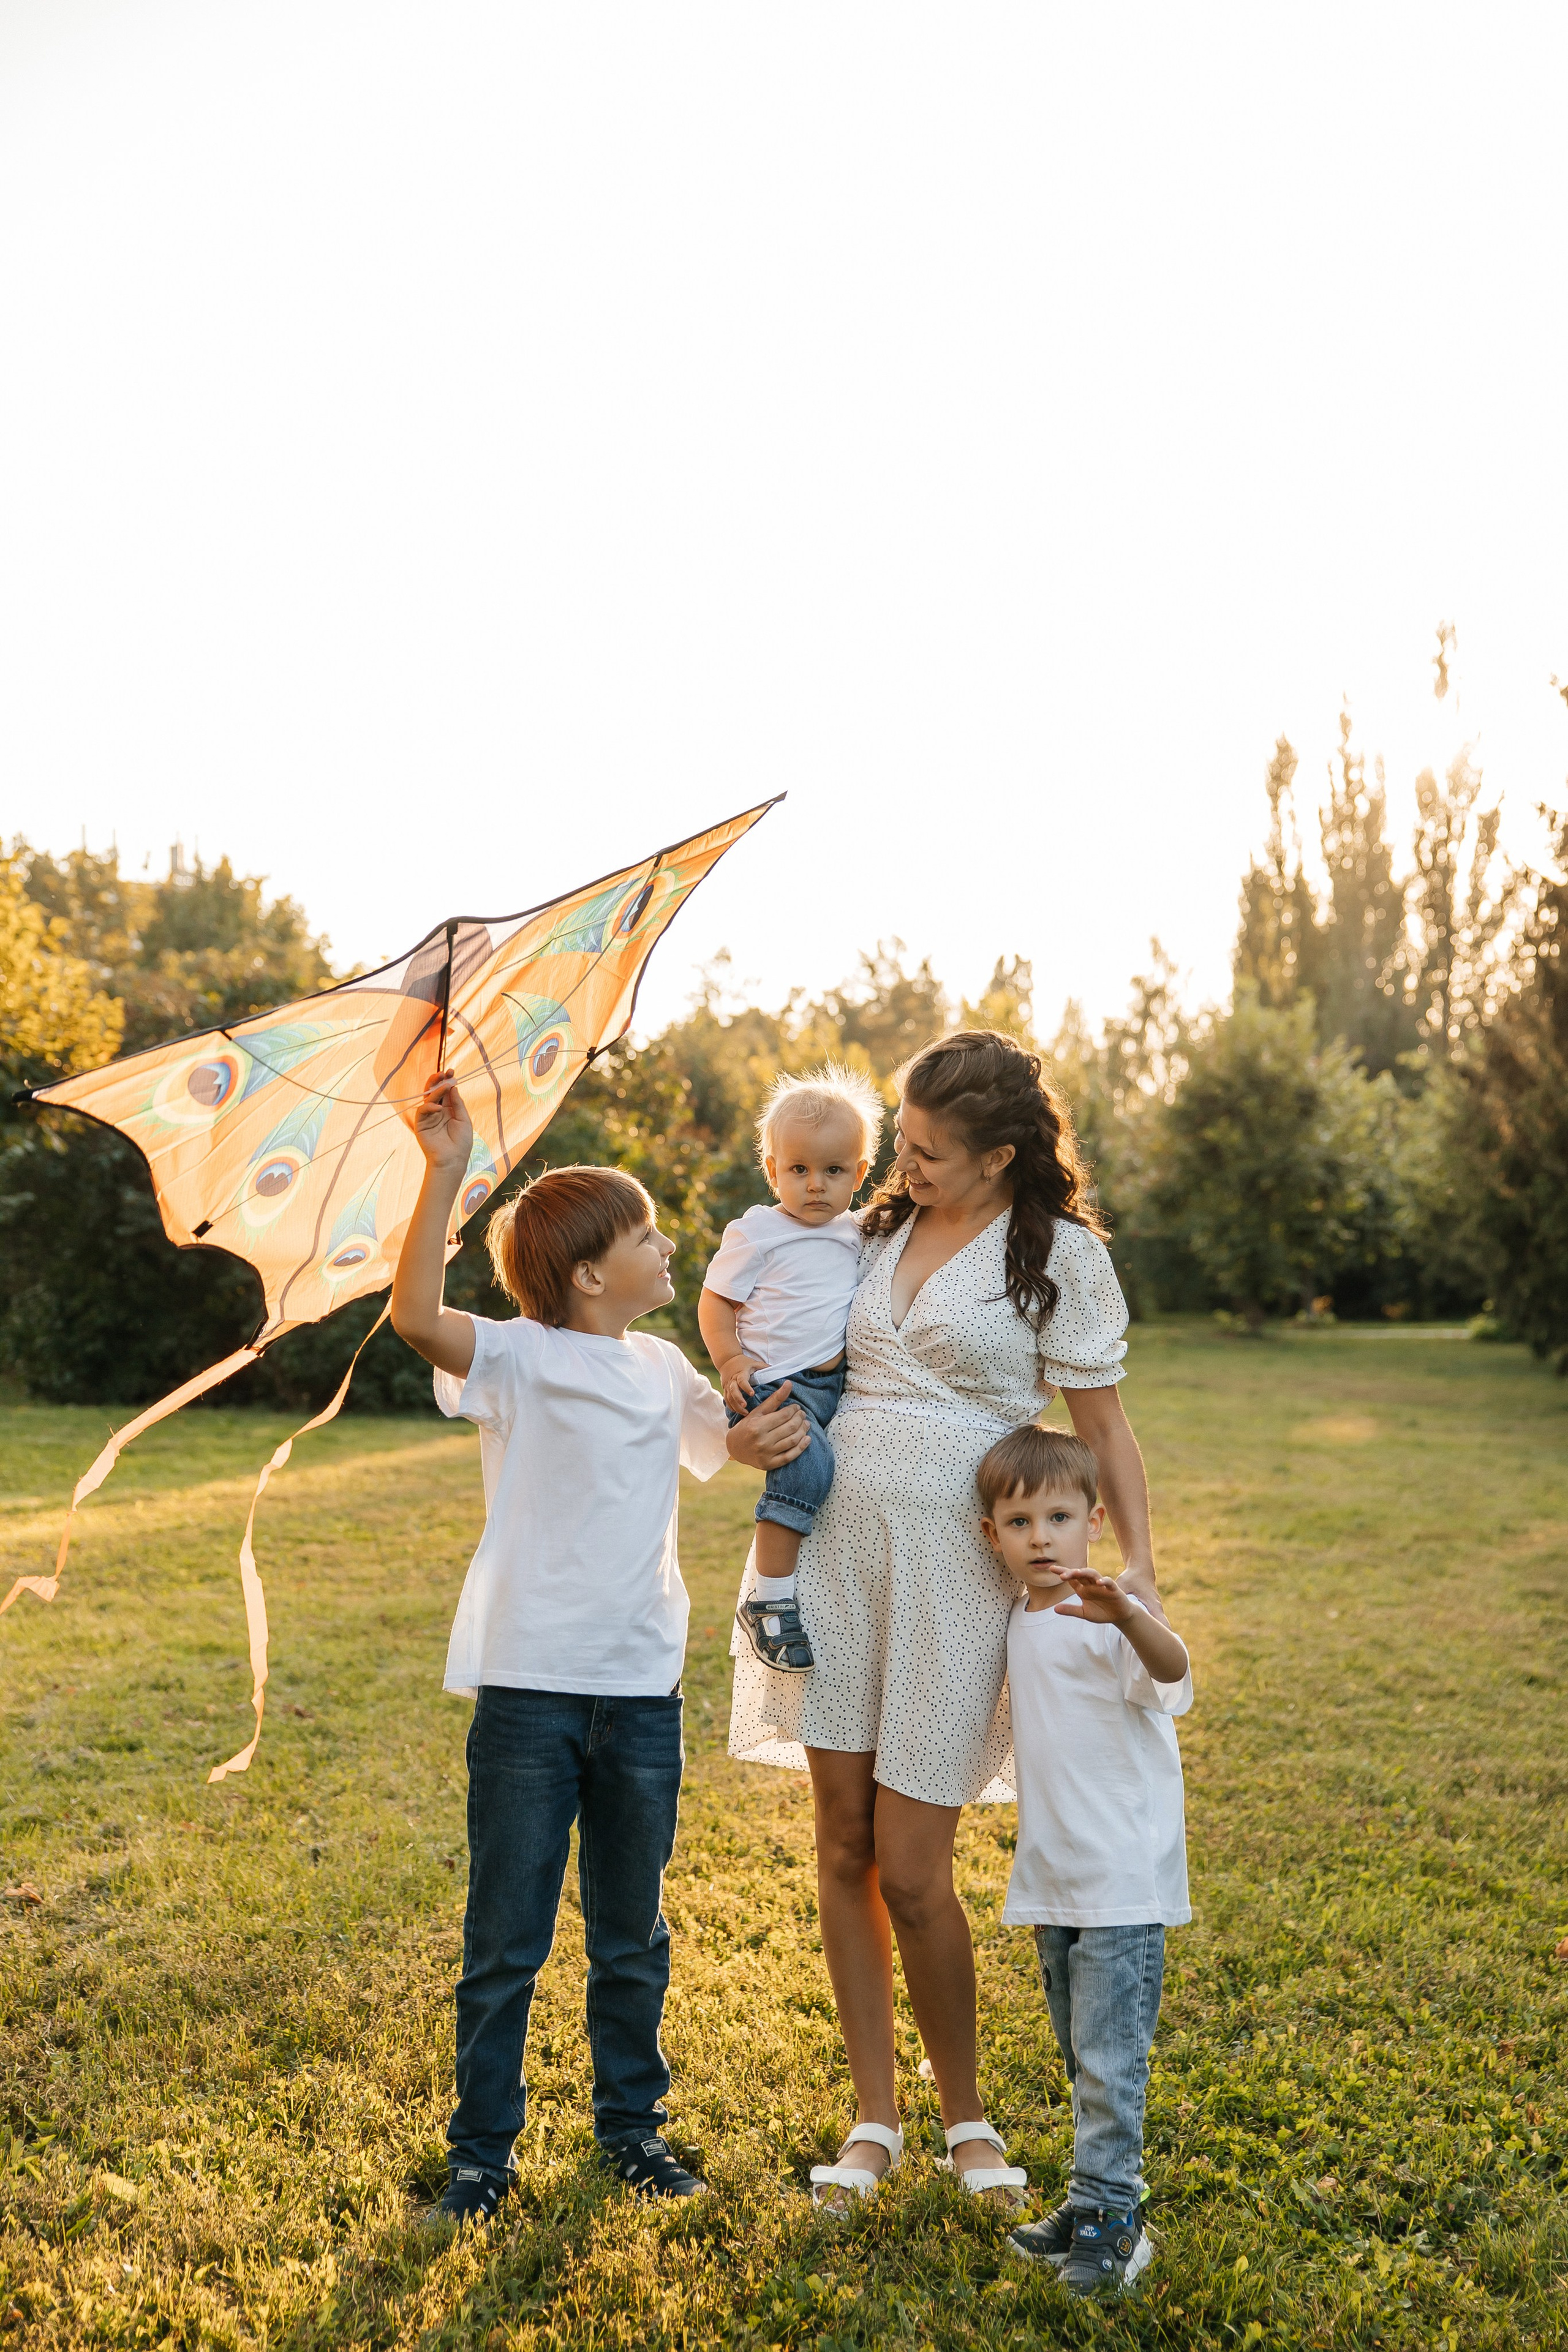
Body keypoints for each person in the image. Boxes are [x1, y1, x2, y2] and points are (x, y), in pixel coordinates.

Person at [727, 1029, 1164, 2211]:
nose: (901, 1168)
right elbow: (768, 1345)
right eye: (901, 1146)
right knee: (842, 1844)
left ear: (1002, 1154)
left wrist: (1144, 1567)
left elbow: (1105, 1427)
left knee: (917, 1866)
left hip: (959, 1578)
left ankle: (964, 2114)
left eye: (926, 1153)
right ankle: (876, 2116)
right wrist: (747, 1419)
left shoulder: (1060, 1257)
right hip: (837, 1559)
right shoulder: (863, 1234)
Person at [390, 1068, 809, 2228]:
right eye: (644, 1234)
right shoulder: (518, 1360)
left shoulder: (660, 1366)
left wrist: (770, 1431)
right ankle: (482, 2158)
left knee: (632, 1933)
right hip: (530, 1692)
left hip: (641, 1691)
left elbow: (732, 1444)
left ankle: (633, 2132)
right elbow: (417, 1316)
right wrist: (444, 1173)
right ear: (586, 1273)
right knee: (506, 1941)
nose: (666, 1243)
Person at [975, 1425, 1191, 2298]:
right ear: (993, 1536)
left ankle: (1113, 2225)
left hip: (1122, 1881)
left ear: (1094, 1520)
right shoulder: (1018, 1619)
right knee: (1081, 2052)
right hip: (1055, 1880)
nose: (1041, 1537)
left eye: (1059, 1516)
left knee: (1108, 2060)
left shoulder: (1108, 1616)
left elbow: (1176, 1676)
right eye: (1020, 1521)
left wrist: (1132, 1613)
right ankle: (1098, 2196)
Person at [699, 1066, 883, 1674]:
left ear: (858, 1175)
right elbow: (716, 1301)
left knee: (839, 1478)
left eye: (833, 1171)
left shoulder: (854, 1232)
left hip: (831, 1386)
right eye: (798, 1170)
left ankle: (810, 1590)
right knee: (808, 1469)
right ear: (773, 1170)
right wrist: (729, 1359)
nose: (814, 1186)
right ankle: (769, 1600)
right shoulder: (757, 1231)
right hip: (772, 1386)